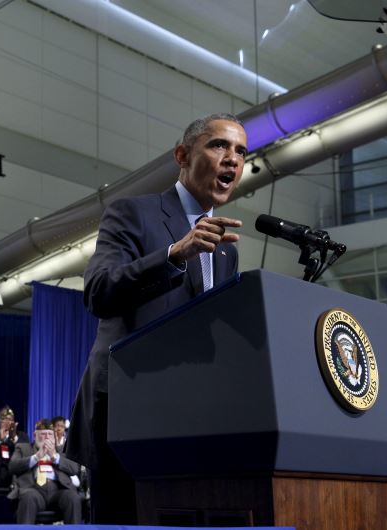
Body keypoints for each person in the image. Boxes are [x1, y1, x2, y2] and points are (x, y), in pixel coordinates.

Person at [66, 113, 247, 524]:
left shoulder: (225, 250)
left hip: (192, 416)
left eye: (241, 152)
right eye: (219, 145)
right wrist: (173, 256)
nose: (232, 160)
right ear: (183, 155)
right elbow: (98, 291)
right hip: (126, 411)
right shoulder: (131, 213)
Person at [8, 419, 82, 524]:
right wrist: (36, 457)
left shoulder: (62, 451)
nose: (47, 437)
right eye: (43, 434)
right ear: (35, 435)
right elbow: (12, 467)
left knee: (73, 497)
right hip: (33, 489)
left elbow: (74, 469)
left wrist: (55, 457)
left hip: (58, 490)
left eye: (50, 434)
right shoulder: (23, 448)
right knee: (28, 497)